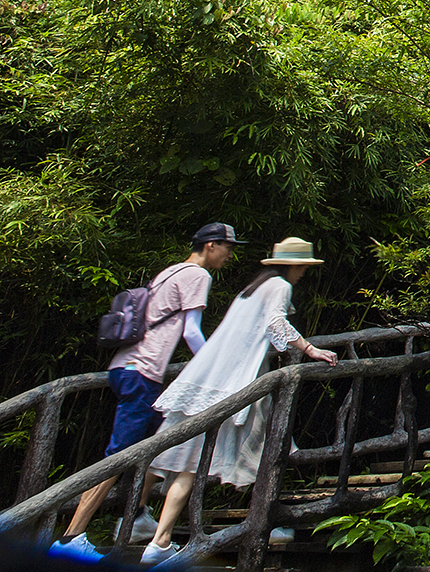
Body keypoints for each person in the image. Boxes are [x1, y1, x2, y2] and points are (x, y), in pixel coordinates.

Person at [140, 238, 338, 567]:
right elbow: (276, 323)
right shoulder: (278, 287)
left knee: (188, 462)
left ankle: (156, 536)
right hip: (237, 384)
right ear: (292, 265)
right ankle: (264, 523)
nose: (304, 272)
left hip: (208, 380)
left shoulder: (250, 289)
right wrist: (309, 349)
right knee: (268, 449)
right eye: (303, 266)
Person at [51, 223, 239, 557]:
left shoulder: (170, 272)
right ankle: (70, 539)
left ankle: (137, 516)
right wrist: (219, 368)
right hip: (142, 373)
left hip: (125, 368)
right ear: (211, 246)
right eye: (228, 247)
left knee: (159, 444)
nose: (230, 255)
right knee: (117, 457)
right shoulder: (198, 276)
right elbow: (192, 333)